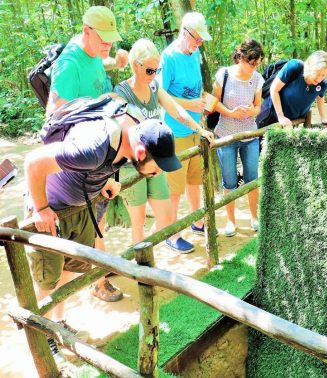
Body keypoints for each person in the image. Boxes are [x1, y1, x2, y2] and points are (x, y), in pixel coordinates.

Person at [25, 108, 182, 359]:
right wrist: (41, 207)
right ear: (142, 153)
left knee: (70, 269)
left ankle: (57, 322)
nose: (159, 172)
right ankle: (41, 337)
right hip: (51, 210)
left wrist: (104, 180)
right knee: (48, 279)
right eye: (158, 166)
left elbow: (106, 163)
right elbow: (33, 163)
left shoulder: (127, 144)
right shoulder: (93, 148)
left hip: (80, 206)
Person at [45, 5, 129, 302]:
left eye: (111, 39)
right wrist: (102, 103)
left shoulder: (93, 54)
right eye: (103, 39)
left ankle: (99, 271)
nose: (108, 44)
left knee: (99, 218)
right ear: (86, 32)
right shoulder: (68, 64)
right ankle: (98, 280)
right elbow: (58, 112)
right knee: (88, 221)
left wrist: (112, 63)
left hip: (99, 151)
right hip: (80, 156)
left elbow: (95, 66)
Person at [114, 39, 210, 249]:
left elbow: (176, 110)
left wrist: (199, 128)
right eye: (149, 70)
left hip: (155, 160)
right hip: (133, 163)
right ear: (135, 65)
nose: (153, 75)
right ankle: (142, 268)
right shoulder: (122, 92)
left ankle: (170, 238)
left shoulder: (155, 86)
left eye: (156, 70)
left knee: (165, 214)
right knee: (138, 221)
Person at [159, 12, 215, 253]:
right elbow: (159, 95)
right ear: (185, 32)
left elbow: (195, 89)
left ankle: (198, 221)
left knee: (194, 181)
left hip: (194, 127)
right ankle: (171, 234)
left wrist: (200, 103)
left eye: (202, 41)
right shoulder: (168, 57)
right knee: (174, 189)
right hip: (175, 133)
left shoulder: (194, 55)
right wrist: (188, 105)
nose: (199, 44)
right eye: (197, 39)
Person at [211, 40, 264, 236]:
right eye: (252, 62)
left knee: (252, 177)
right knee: (230, 180)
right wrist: (231, 113)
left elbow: (259, 106)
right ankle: (231, 221)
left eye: (257, 62)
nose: (254, 66)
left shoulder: (257, 79)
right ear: (241, 58)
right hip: (226, 134)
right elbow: (212, 102)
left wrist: (252, 110)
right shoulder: (224, 75)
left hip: (250, 133)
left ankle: (254, 217)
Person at [257, 50, 327, 128]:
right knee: (258, 138)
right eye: (317, 74)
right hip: (269, 115)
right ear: (310, 67)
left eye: (323, 75)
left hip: (292, 123)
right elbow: (274, 89)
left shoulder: (324, 83)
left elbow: (320, 97)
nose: (319, 79)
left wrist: (323, 117)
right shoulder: (295, 67)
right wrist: (281, 116)